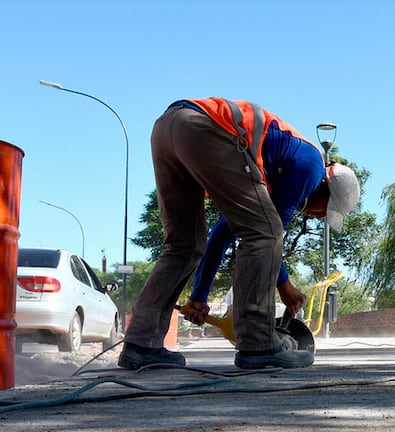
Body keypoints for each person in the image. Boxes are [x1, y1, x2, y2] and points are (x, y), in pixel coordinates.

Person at [118, 97, 360, 370]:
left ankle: (141, 344)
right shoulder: (312, 165)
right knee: (265, 232)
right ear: (325, 187)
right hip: (206, 128)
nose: (317, 216)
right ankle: (258, 343)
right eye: (323, 210)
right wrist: (285, 286)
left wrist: (199, 296)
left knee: (184, 243)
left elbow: (222, 234)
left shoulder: (275, 169)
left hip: (168, 128)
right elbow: (269, 230)